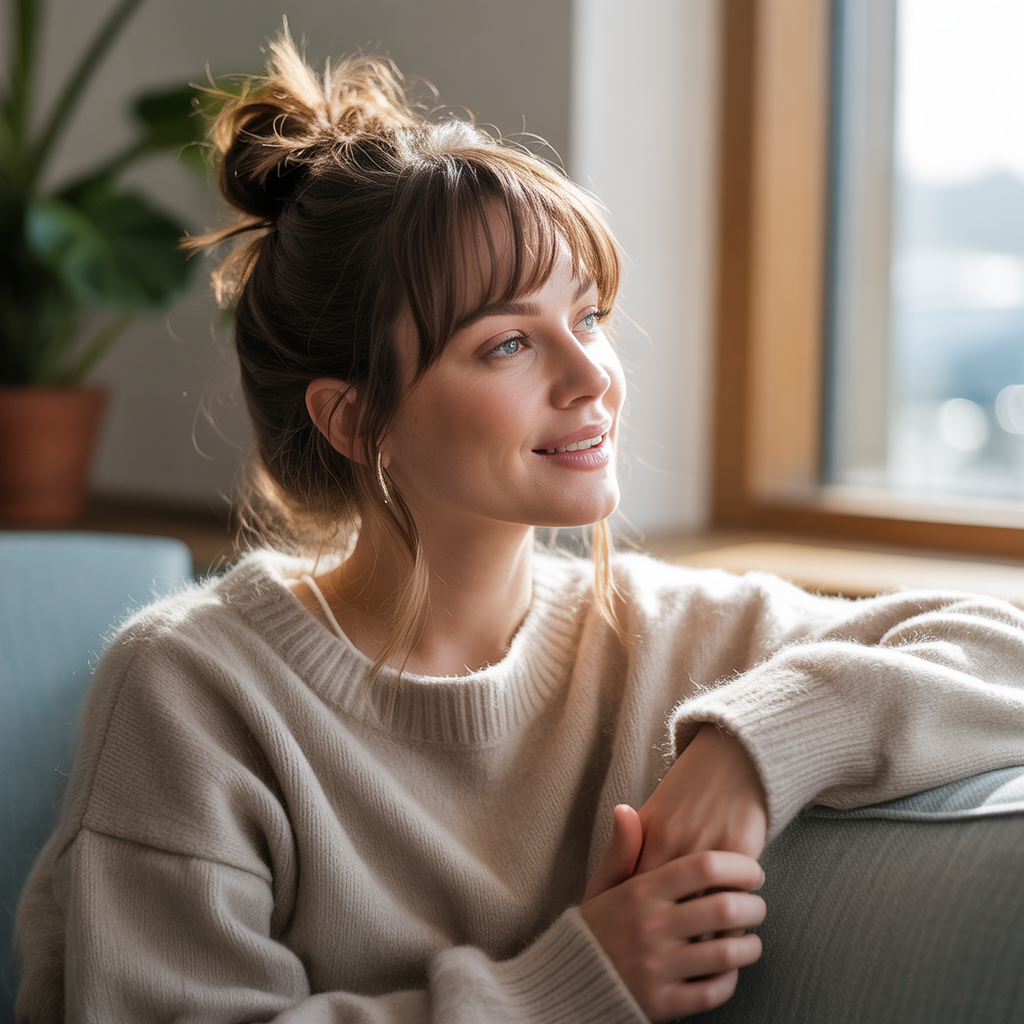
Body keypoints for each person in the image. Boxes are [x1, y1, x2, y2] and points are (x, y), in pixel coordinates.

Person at [14, 32, 1024, 1024]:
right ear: (357, 417)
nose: (592, 377)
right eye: (505, 342)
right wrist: (570, 987)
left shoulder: (672, 641)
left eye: (585, 318)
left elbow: (1002, 649)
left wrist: (757, 747)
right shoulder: (193, 690)